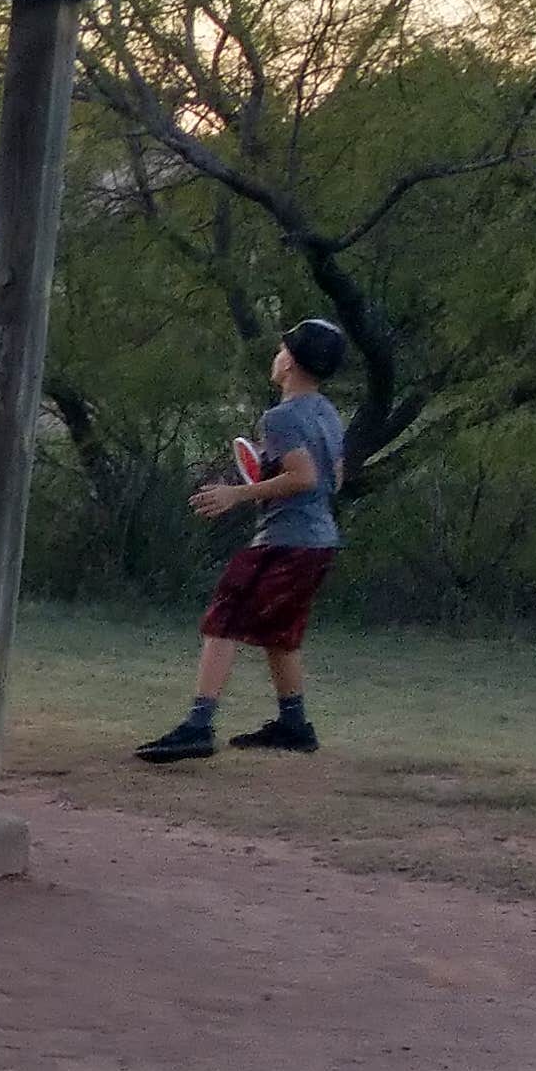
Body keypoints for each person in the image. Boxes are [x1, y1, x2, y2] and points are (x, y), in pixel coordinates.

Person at [138, 320, 351, 762]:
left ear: (289, 361)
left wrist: (237, 493)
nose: (276, 357)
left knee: (224, 619)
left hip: (285, 541)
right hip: (320, 540)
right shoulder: (328, 412)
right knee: (280, 633)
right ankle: (294, 724)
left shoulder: (281, 417)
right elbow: (334, 477)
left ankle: (198, 726)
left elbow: (304, 477)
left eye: (280, 350)